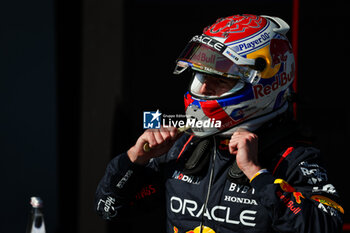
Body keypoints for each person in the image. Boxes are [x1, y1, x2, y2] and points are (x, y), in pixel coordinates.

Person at [95, 14, 343, 233]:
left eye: (220, 80)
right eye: (201, 76)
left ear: (264, 86)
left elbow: (322, 226)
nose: (203, 88)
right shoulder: (182, 146)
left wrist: (257, 174)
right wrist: (133, 160)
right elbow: (108, 208)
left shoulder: (293, 157)